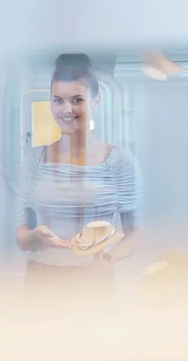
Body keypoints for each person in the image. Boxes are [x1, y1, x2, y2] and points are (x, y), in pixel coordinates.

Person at [15, 53, 144, 305]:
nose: (67, 109)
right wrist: (34, 236)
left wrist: (109, 259)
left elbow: (135, 234)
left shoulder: (120, 162)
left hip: (93, 281)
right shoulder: (33, 160)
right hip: (41, 281)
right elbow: (21, 236)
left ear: (96, 101)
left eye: (77, 100)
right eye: (58, 100)